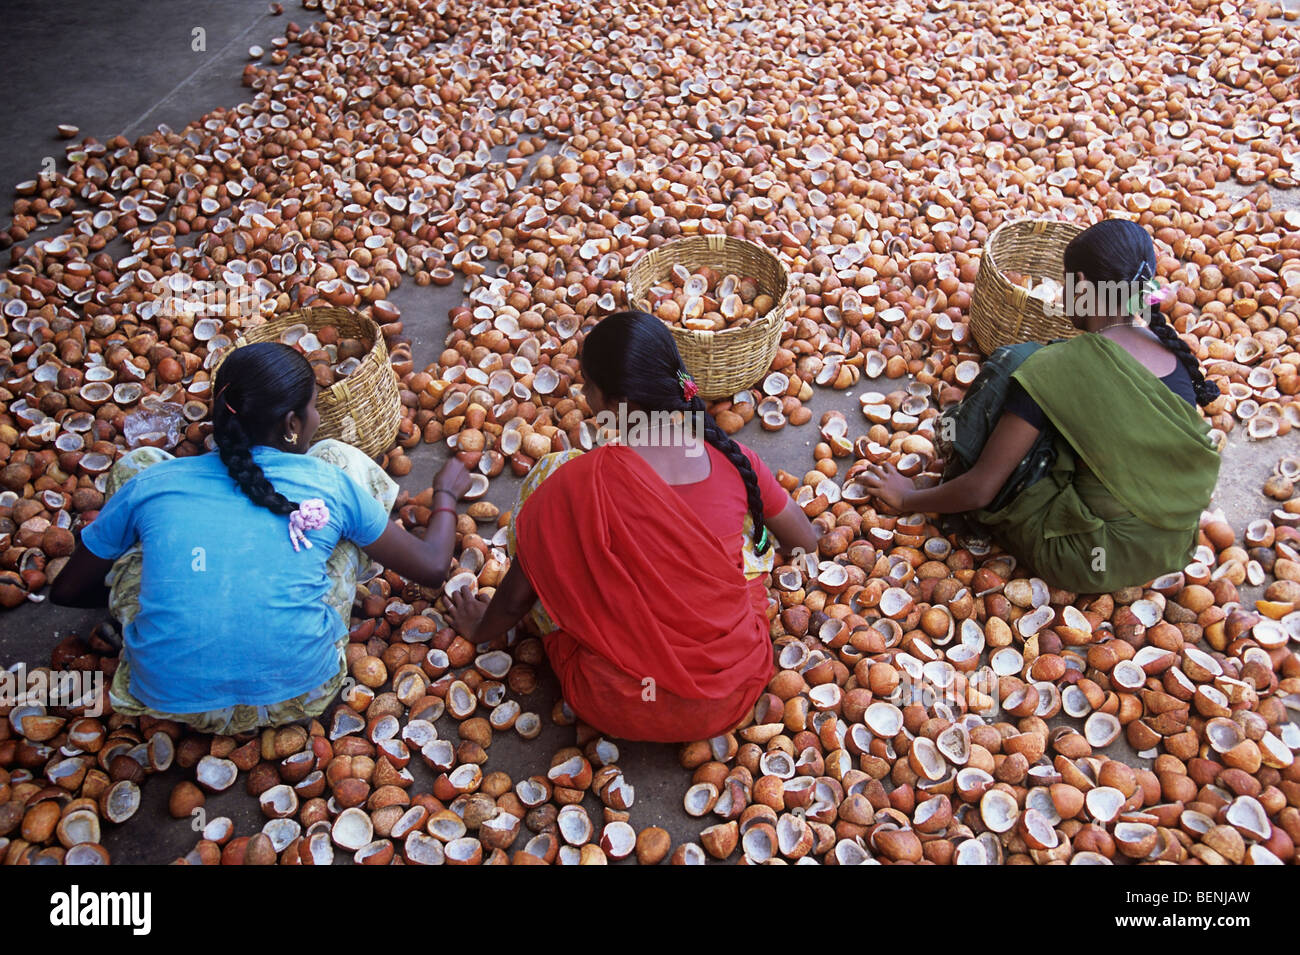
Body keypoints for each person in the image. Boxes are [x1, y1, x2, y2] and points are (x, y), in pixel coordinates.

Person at [51, 341, 471, 734]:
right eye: (313, 409)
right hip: (301, 693)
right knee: (343, 472)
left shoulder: (155, 481)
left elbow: (67, 591)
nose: (317, 419)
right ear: (292, 423)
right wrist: (447, 493)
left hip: (169, 699)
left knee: (138, 465)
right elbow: (434, 567)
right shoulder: (328, 481)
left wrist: (159, 585)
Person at [445, 310, 819, 742]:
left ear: (615, 404)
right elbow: (803, 540)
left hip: (619, 701)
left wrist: (478, 628)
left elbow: (514, 602)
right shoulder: (732, 459)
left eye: (588, 385)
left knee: (548, 497)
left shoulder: (570, 481)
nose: (584, 394)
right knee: (747, 542)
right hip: (735, 689)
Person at [859, 218, 1221, 593]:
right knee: (1040, 389)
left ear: (1080, 286)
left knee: (1014, 364)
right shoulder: (1171, 356)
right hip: (1170, 546)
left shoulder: (1059, 368)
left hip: (1086, 555)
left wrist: (907, 498)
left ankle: (959, 458)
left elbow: (982, 489)